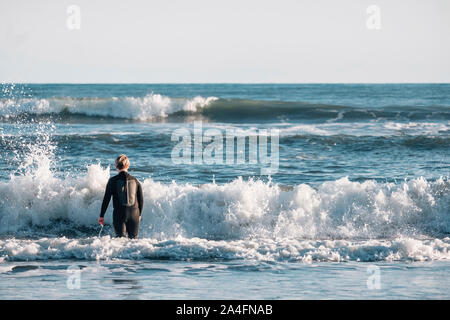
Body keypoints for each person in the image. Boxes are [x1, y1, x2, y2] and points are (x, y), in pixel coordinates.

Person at [98, 154, 144, 239]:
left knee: (120, 241)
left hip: (119, 214)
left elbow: (106, 199)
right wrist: (139, 214)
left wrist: (102, 216)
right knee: (134, 241)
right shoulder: (135, 180)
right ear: (128, 165)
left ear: (116, 166)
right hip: (134, 214)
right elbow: (141, 200)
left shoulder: (112, 181)